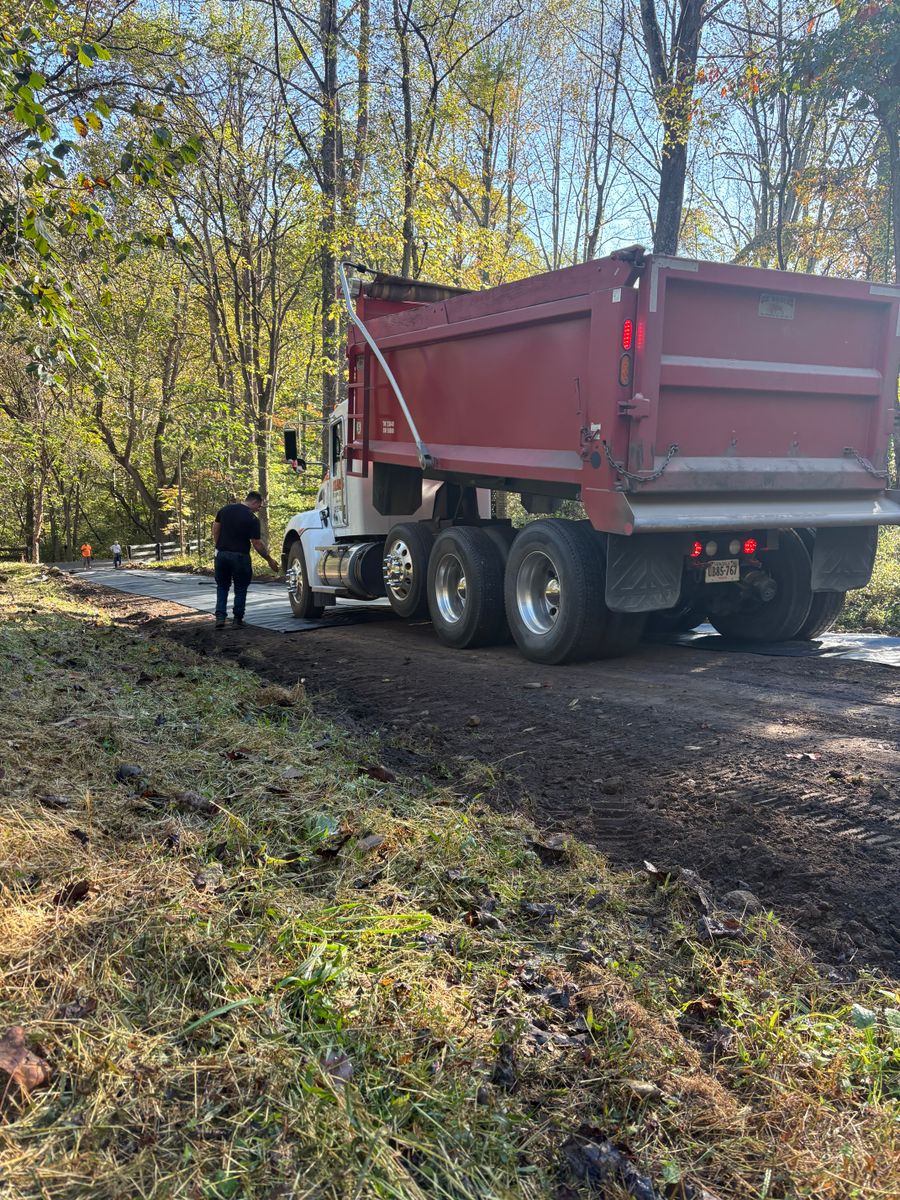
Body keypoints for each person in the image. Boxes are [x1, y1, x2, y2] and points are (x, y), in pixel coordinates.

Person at [212, 490, 279, 629]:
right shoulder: (252, 519)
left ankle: (220, 618)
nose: (258, 509)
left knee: (222, 586)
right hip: (240, 556)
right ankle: (237, 620)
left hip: (222, 555)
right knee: (241, 588)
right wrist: (269, 559)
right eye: (259, 506)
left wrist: (218, 547)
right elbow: (256, 543)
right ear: (254, 502)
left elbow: (216, 528)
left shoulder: (225, 510)